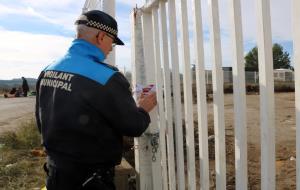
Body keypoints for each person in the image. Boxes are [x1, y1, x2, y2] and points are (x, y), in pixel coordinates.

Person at [35, 10, 157, 190]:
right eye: (112, 42)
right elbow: (134, 126)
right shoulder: (107, 77)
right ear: (101, 36)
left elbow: (41, 119)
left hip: (55, 173)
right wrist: (143, 109)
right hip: (90, 179)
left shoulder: (48, 69)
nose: (111, 48)